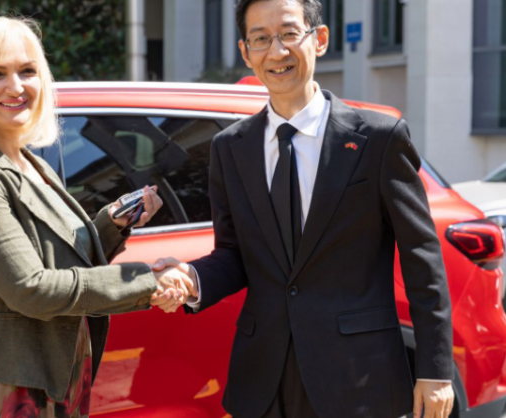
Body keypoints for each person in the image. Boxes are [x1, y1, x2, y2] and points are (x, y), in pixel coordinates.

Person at [152, 1, 455, 417]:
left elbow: (422, 257)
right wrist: (192, 278)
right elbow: (234, 255)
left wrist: (435, 372)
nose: (276, 52)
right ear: (246, 52)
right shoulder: (230, 148)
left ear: (320, 39)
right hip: (263, 380)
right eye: (261, 39)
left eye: (289, 34)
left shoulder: (379, 139)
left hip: (358, 380)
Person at [0, 16, 190, 418]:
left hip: (56, 374)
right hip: (4, 386)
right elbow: (32, 288)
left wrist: (109, 226)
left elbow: (52, 257)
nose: (16, 86)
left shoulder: (28, 161)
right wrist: (146, 281)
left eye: (27, 71)